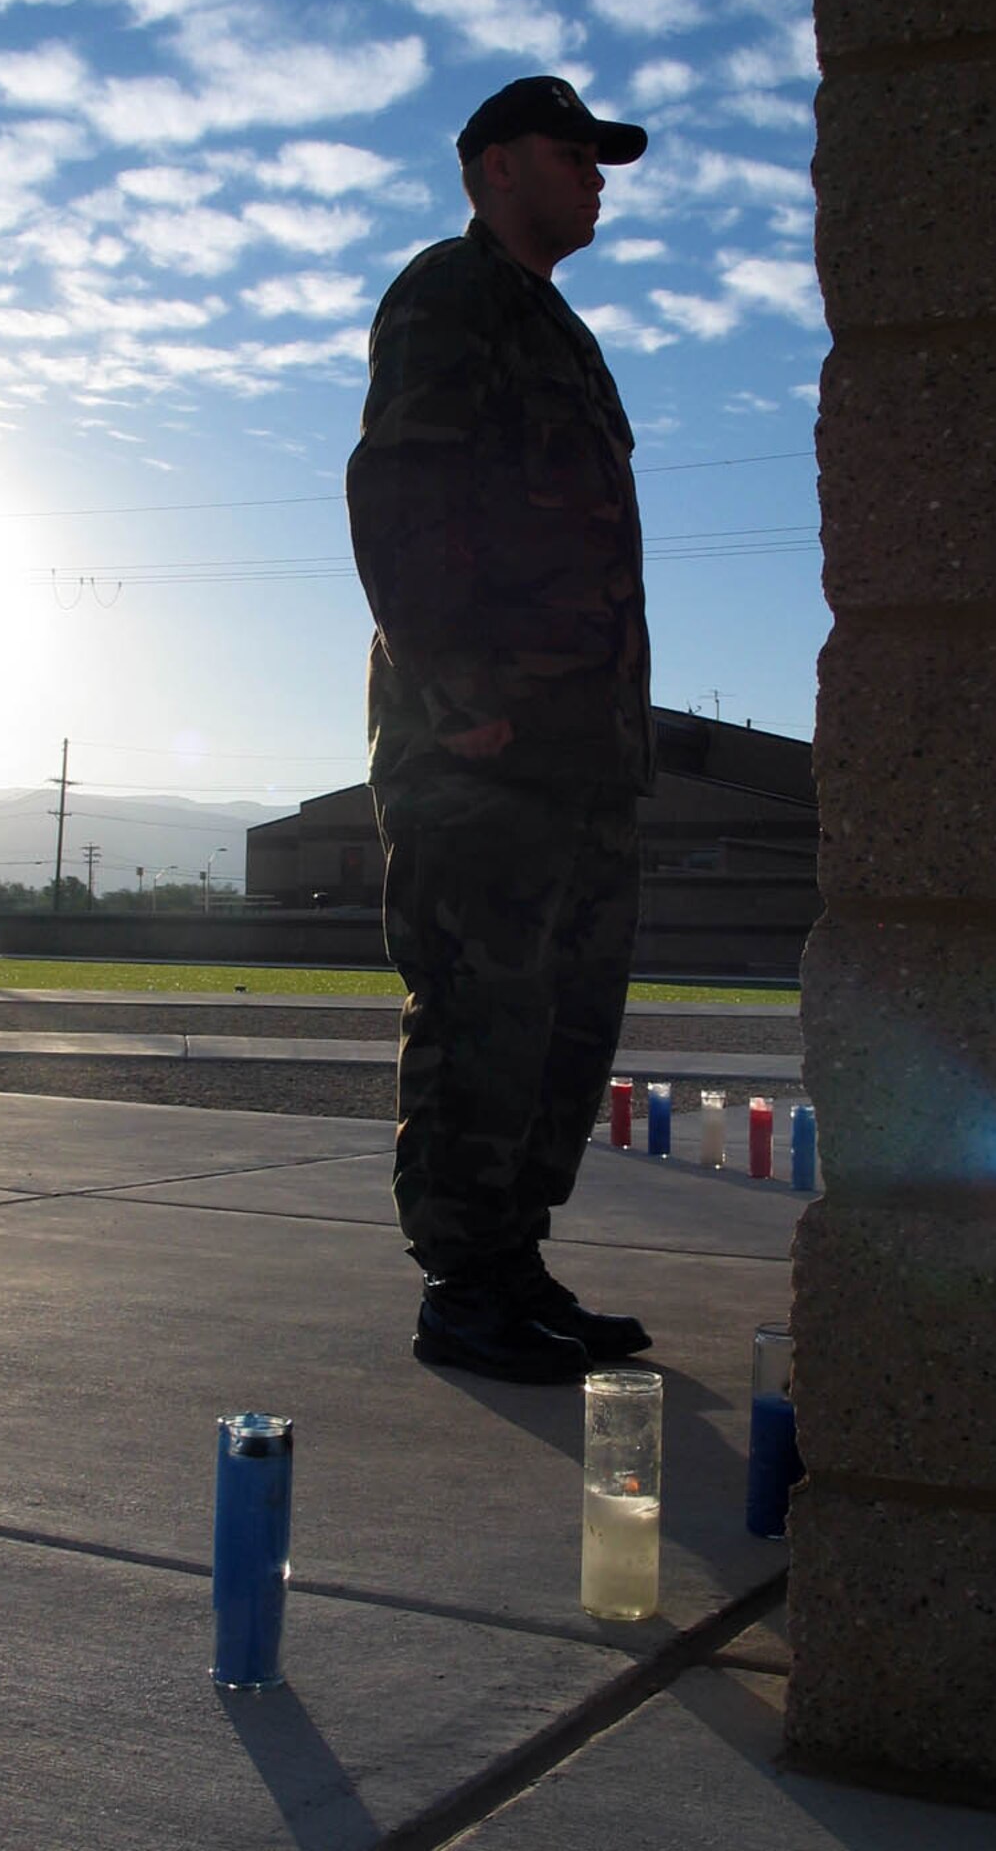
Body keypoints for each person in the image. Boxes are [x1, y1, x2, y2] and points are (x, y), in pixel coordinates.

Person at [347, 75, 658, 1385]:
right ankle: (463, 1289)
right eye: (575, 152)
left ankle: (513, 1263)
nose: (597, 174)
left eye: (603, 158)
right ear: (495, 168)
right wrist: (463, 695)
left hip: (579, 763)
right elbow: (401, 495)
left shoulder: (563, 335)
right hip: (482, 753)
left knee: (567, 1027)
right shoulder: (449, 296)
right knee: (485, 1014)